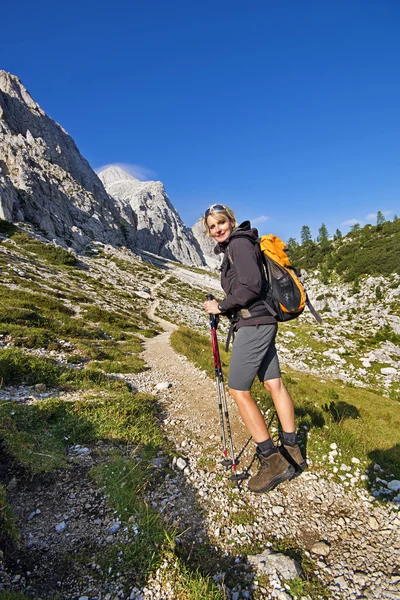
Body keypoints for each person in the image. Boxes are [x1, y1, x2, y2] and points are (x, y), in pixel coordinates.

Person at [203, 204, 307, 493]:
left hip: (254, 325)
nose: (218, 229)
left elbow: (251, 284)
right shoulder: (244, 242)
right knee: (274, 383)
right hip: (263, 321)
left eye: (221, 222)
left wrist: (221, 306)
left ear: (231, 221)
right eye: (212, 226)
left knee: (238, 389)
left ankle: (272, 460)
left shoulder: (238, 244)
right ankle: (292, 450)